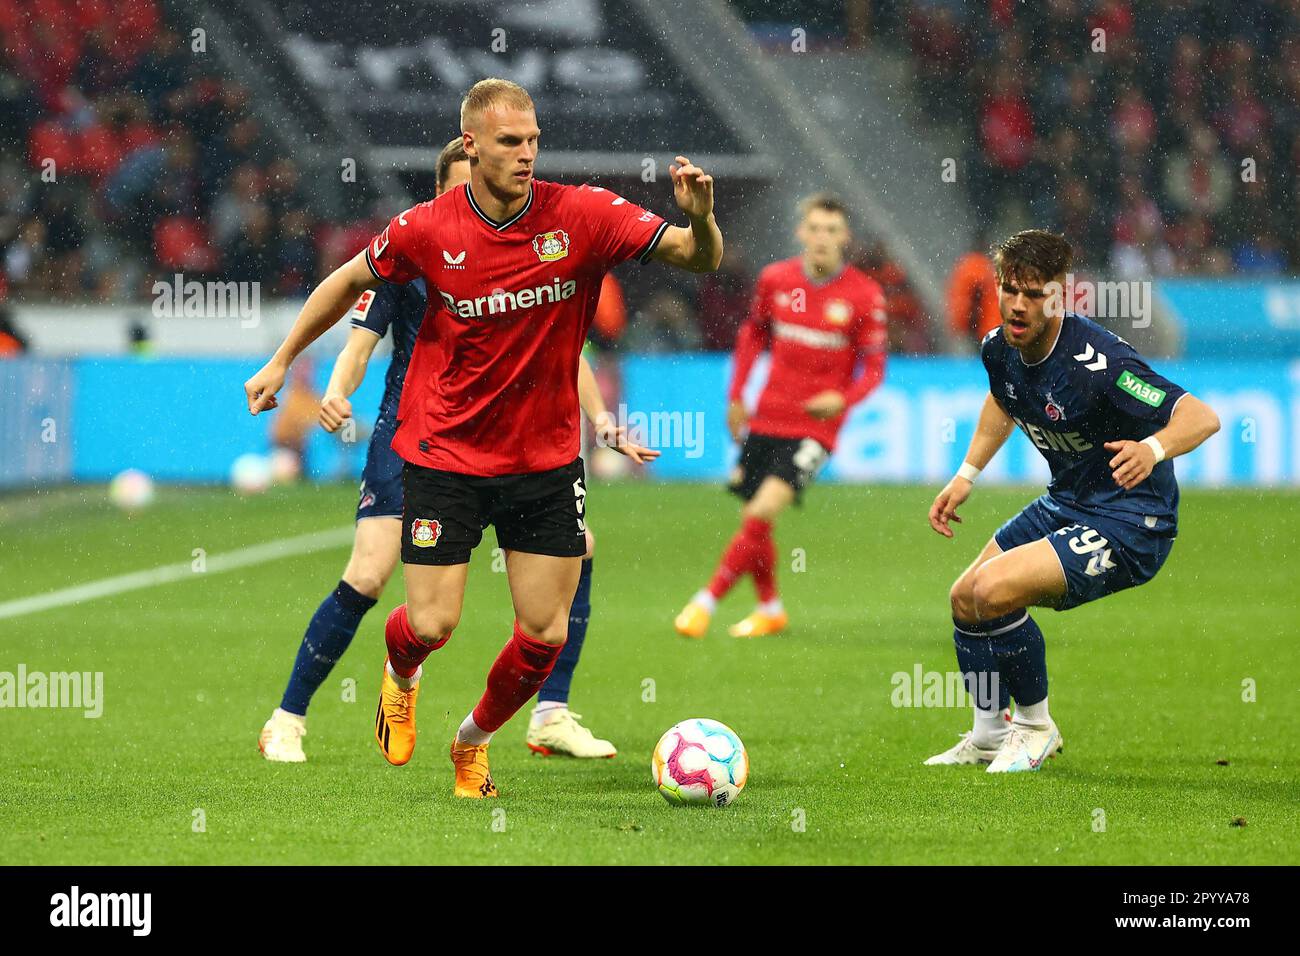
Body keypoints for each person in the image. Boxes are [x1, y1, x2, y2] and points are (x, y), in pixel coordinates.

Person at [245, 78, 721, 797]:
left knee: (544, 632)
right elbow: (347, 283)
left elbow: (696, 256)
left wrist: (703, 220)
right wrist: (282, 360)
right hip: (448, 456)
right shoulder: (427, 229)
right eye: (509, 142)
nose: (526, 154)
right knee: (432, 622)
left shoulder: (584, 214)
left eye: (533, 140)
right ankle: (400, 673)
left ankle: (472, 741)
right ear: (472, 144)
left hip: (545, 460)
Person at [924, 230, 1220, 772]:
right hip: (1069, 502)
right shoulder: (999, 347)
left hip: (1132, 521)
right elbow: (1004, 399)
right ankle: (990, 734)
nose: (1017, 304)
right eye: (1010, 288)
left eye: (1033, 294)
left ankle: (1035, 725)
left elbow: (1201, 417)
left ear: (1059, 296)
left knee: (994, 591)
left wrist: (1152, 449)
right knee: (964, 599)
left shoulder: (1098, 362)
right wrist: (967, 474)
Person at [675, 193, 886, 639]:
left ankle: (704, 602)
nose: (823, 238)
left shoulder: (865, 296)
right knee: (757, 516)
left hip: (815, 429)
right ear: (801, 232)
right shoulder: (776, 279)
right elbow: (753, 334)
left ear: (845, 237)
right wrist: (736, 396)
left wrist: (843, 400)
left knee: (761, 510)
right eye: (816, 228)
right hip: (768, 418)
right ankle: (770, 608)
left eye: (832, 230)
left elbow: (876, 369)